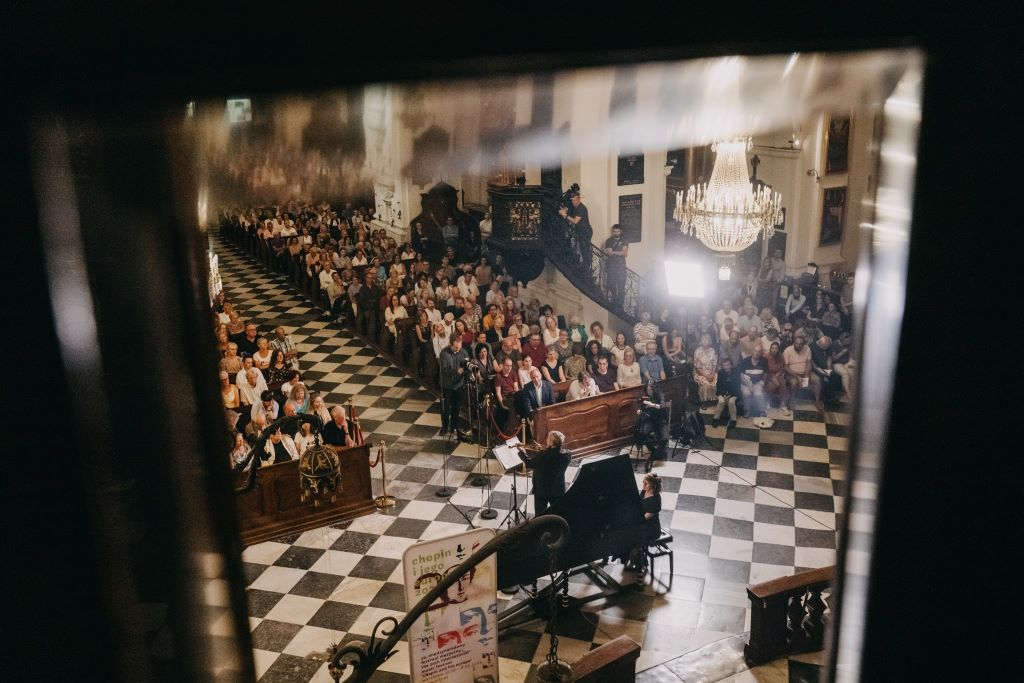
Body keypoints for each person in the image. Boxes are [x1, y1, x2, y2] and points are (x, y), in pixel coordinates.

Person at [517, 430, 571, 514]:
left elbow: (529, 463)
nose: (546, 440)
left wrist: (522, 452)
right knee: (557, 512)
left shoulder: (543, 455)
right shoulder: (567, 454)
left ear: (551, 443)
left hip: (542, 490)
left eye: (548, 439)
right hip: (557, 489)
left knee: (540, 514)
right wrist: (545, 448)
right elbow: (553, 455)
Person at [439, 334, 471, 437]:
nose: (458, 347)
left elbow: (467, 365)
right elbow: (443, 370)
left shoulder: (464, 352)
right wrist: (457, 371)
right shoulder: (444, 353)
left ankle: (454, 427)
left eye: (460, 345)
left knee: (456, 407)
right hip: (447, 385)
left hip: (459, 385)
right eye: (456, 346)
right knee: (446, 408)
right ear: (451, 344)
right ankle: (444, 427)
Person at [783, 333, 821, 411]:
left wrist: (806, 375)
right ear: (794, 342)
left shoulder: (807, 349)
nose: (798, 345)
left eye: (801, 344)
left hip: (805, 372)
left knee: (817, 379)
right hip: (792, 374)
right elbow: (785, 367)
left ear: (804, 344)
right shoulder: (788, 350)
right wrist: (798, 377)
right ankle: (792, 400)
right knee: (794, 382)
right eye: (796, 343)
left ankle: (817, 401)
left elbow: (809, 362)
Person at [639, 378, 669, 472]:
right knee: (642, 433)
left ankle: (652, 457)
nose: (649, 391)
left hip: (661, 420)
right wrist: (640, 411)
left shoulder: (660, 395)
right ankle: (654, 451)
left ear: (654, 388)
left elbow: (662, 406)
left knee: (664, 439)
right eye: (647, 389)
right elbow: (643, 409)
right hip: (650, 420)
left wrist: (651, 404)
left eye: (650, 389)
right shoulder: (645, 396)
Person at [566, 192, 593, 277]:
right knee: (582, 249)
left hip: (585, 232)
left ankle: (587, 269)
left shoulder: (581, 208)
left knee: (585, 250)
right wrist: (566, 210)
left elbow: (575, 221)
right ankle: (585, 267)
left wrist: (565, 216)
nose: (574, 202)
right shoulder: (576, 207)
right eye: (572, 200)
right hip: (581, 232)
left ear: (579, 199)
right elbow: (571, 212)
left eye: (575, 200)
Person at [739, 344, 767, 418]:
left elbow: (765, 374)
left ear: (761, 353)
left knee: (758, 393)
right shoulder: (745, 361)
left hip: (757, 383)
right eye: (755, 351)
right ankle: (747, 410)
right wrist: (748, 386)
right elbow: (741, 375)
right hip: (745, 383)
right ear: (752, 351)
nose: (757, 353)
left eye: (759, 352)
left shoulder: (764, 361)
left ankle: (762, 411)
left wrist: (762, 383)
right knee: (747, 393)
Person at [712, 357, 741, 429]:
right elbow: (718, 385)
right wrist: (724, 394)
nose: (726, 367)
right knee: (721, 401)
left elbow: (737, 386)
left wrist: (729, 395)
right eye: (724, 365)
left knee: (731, 402)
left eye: (727, 365)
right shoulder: (720, 372)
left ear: (731, 365)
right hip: (722, 392)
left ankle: (733, 420)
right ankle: (716, 419)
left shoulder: (736, 372)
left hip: (734, 393)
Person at [604, 223, 628, 306]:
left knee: (621, 286)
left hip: (621, 266)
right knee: (611, 284)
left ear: (620, 231)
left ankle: (620, 304)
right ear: (612, 231)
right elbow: (609, 253)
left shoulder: (624, 240)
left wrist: (614, 252)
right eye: (614, 231)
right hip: (611, 266)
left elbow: (625, 253)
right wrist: (619, 252)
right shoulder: (609, 241)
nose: (616, 233)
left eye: (618, 231)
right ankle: (614, 301)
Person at [692, 334, 718, 404]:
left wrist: (712, 374)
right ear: (700, 341)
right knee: (706, 383)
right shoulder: (697, 351)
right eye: (703, 339)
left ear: (709, 341)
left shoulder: (712, 350)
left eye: (707, 339)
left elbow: (714, 364)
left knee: (716, 381)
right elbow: (697, 368)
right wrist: (706, 376)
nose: (705, 341)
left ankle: (713, 401)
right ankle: (704, 402)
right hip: (700, 373)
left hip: (711, 372)